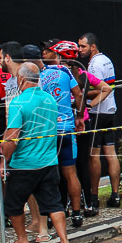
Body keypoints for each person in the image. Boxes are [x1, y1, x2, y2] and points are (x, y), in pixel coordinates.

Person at [0, 62, 74, 243]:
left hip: (24, 163)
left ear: (21, 79)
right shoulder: (50, 100)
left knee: (13, 204)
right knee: (54, 204)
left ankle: (22, 240)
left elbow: (12, 137)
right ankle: (64, 241)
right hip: (49, 162)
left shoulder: (18, 103)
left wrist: (4, 158)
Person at [40, 40, 86, 228]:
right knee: (70, 173)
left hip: (49, 131)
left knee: (51, 175)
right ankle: (76, 214)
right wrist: (80, 117)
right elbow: (79, 94)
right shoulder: (66, 72)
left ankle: (54, 215)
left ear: (56, 55)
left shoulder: (40, 75)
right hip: (67, 128)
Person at [78, 33, 121, 209]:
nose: (80, 50)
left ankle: (94, 196)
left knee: (93, 155)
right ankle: (115, 195)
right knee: (110, 153)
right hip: (110, 110)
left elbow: (100, 89)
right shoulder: (107, 60)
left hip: (98, 112)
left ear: (93, 47)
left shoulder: (94, 65)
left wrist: (80, 94)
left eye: (83, 46)